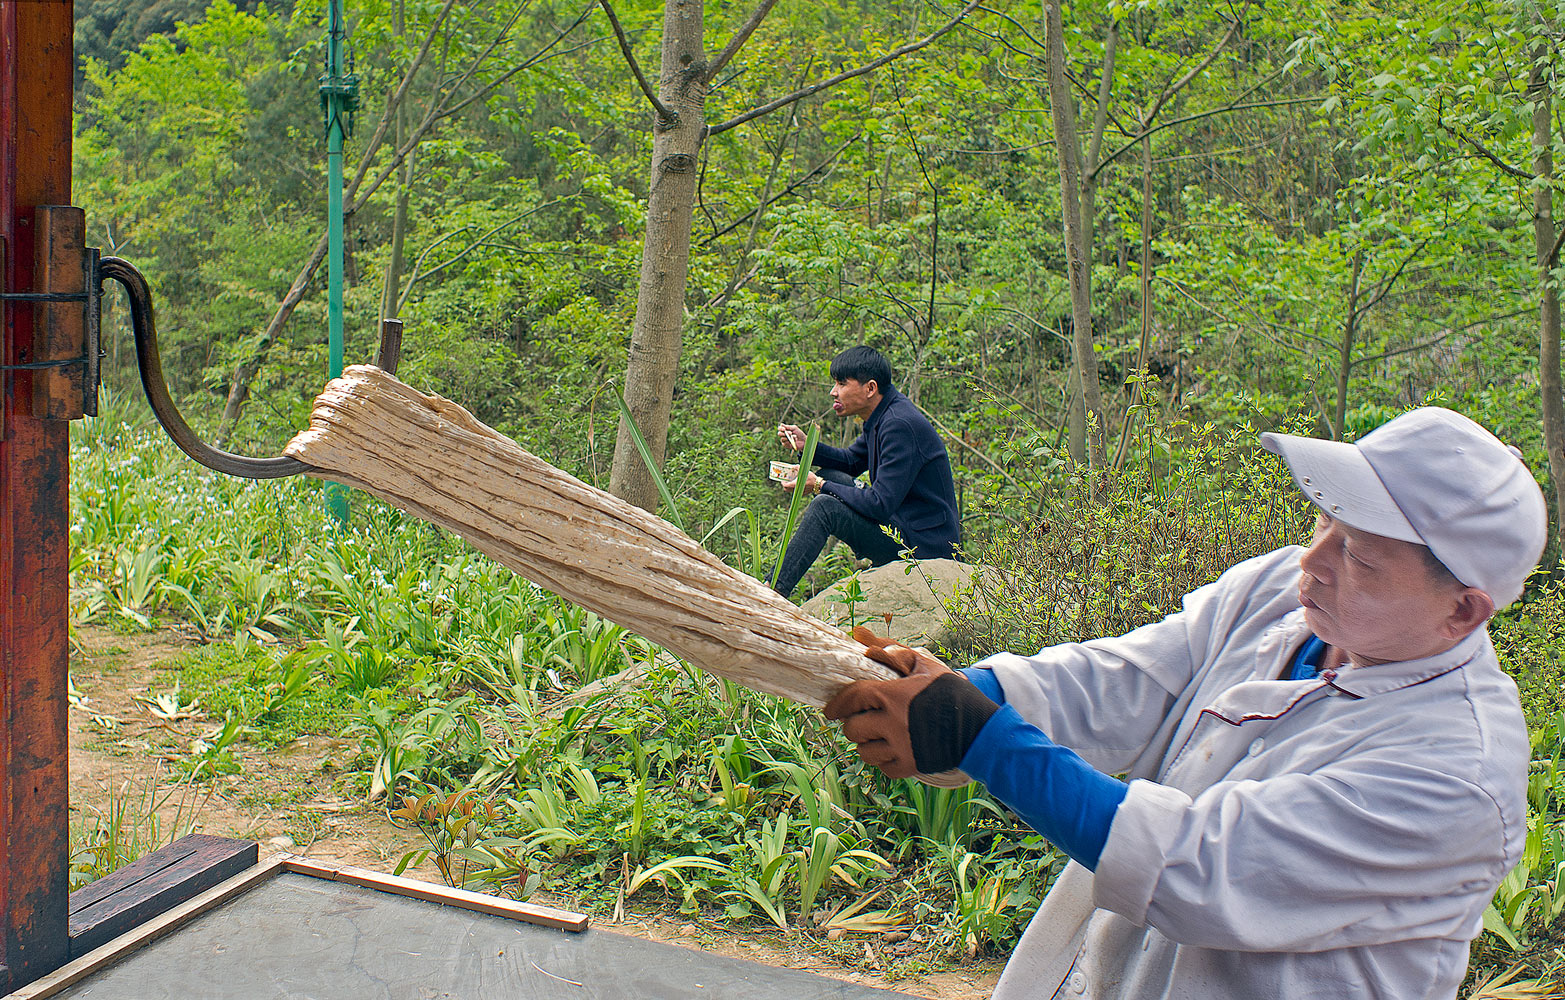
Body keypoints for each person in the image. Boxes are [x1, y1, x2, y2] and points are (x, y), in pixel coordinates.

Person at [824, 407, 1546, 999]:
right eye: (1321, 523)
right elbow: (1129, 679)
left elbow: (1197, 867)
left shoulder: (1456, 774)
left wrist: (984, 738)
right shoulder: (1281, 598)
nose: (1312, 560)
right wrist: (972, 692)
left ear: (1462, 611)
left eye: (1357, 555)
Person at [773, 346, 959, 599]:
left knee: (825, 505)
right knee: (834, 475)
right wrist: (808, 448)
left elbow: (879, 504)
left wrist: (819, 484)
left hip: (921, 546)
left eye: (841, 383)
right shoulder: (883, 414)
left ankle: (771, 590)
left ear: (870, 388)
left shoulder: (899, 425)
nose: (833, 392)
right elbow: (850, 462)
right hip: (903, 526)